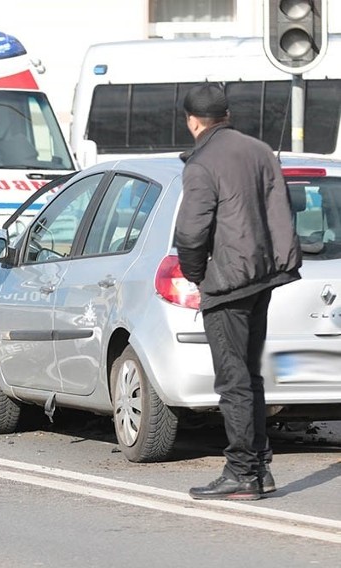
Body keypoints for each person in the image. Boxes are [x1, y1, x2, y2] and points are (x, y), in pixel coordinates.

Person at [174, 83, 302, 500]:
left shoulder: (202, 162)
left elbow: (191, 233)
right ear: (226, 115)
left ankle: (243, 471)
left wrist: (197, 276)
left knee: (233, 380)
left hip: (227, 282)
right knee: (249, 376)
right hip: (263, 276)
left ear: (193, 121)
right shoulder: (260, 150)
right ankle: (259, 469)